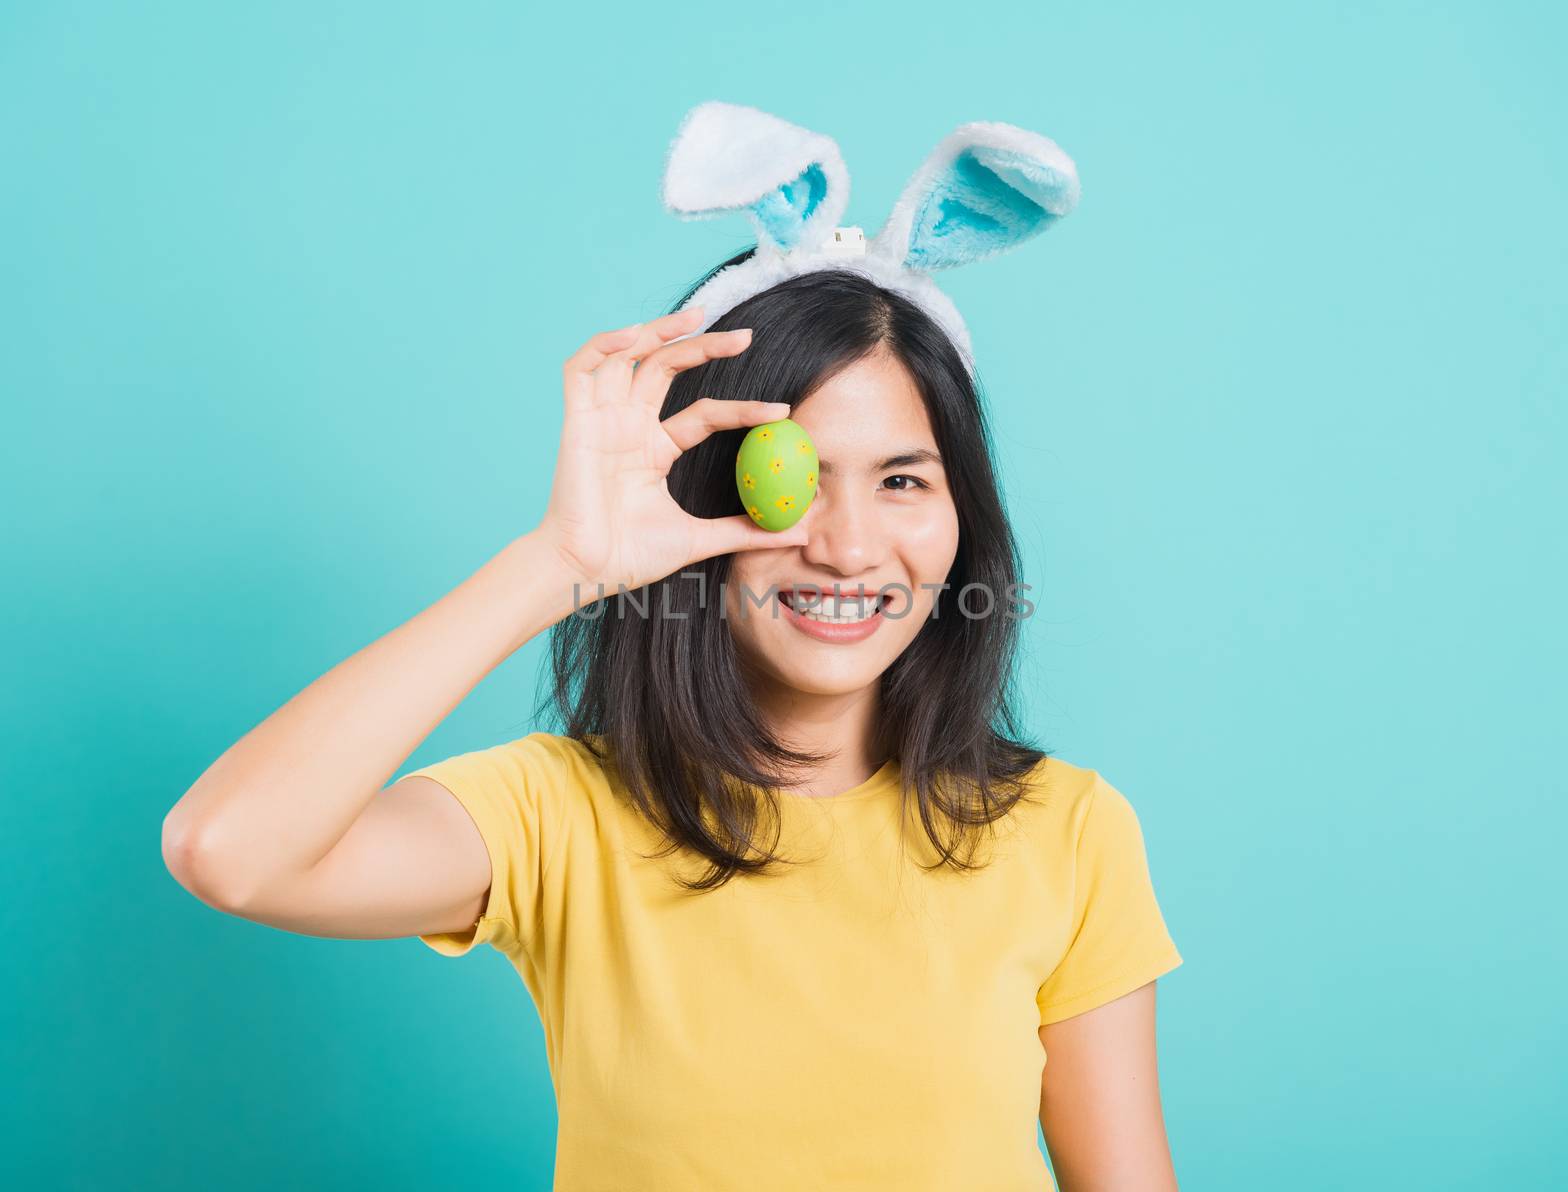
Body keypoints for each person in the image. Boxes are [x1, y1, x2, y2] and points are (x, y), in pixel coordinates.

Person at [164, 239, 1184, 1187]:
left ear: (963, 519)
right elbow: (230, 849)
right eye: (791, 480)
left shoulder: (1067, 831)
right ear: (695, 500)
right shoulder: (560, 815)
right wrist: (556, 564)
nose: (848, 545)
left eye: (903, 480)